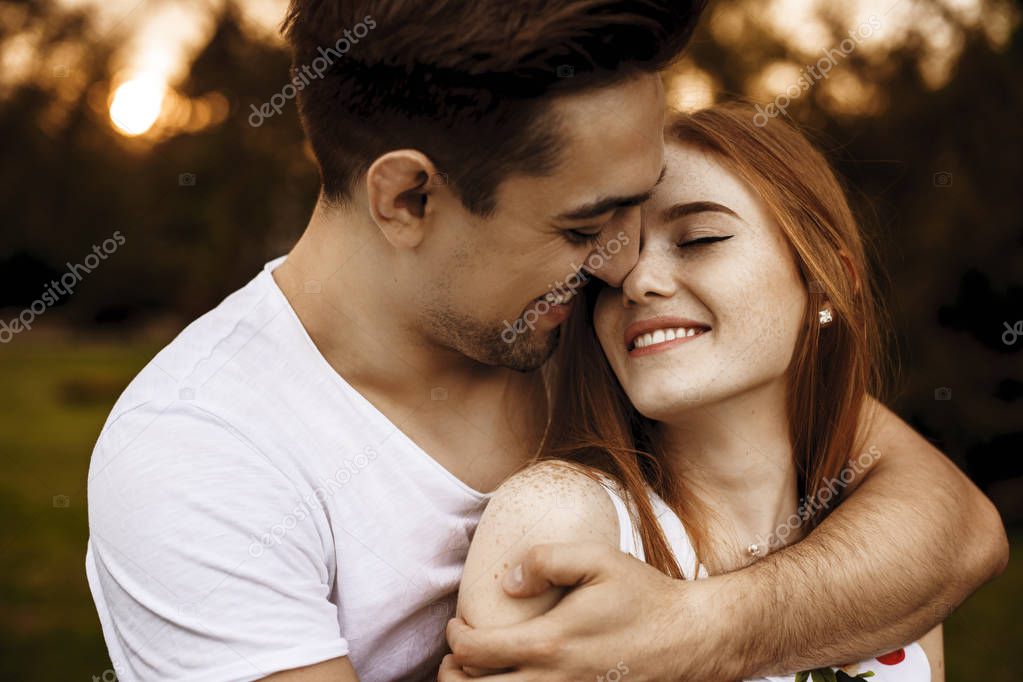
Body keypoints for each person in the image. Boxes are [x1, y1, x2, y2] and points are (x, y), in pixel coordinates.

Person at [85, 2, 1007, 681]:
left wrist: (704, 629)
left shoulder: (590, 330)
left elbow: (951, 523)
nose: (623, 265)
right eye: (584, 225)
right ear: (409, 198)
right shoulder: (200, 454)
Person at [450, 102, 964, 681]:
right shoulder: (564, 520)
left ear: (825, 282)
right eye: (612, 268)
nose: (639, 281)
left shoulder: (888, 547)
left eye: (699, 238)